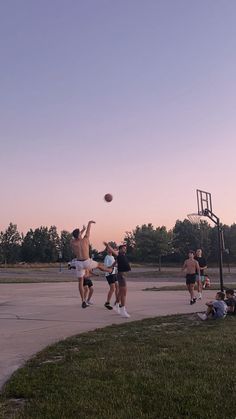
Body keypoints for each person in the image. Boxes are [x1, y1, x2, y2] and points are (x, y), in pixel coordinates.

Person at [70, 221, 112, 308]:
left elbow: (77, 236)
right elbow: (88, 231)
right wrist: (89, 223)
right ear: (79, 235)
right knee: (99, 265)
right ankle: (110, 270)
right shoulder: (85, 240)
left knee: (80, 282)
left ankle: (83, 300)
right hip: (86, 262)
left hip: (78, 263)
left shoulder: (73, 242)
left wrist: (81, 231)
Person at [104, 242, 131, 318]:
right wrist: (107, 245)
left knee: (121, 291)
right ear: (120, 249)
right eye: (123, 248)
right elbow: (112, 250)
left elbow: (116, 262)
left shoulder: (122, 256)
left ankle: (116, 304)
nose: (125, 249)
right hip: (121, 275)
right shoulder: (119, 255)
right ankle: (123, 309)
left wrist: (111, 266)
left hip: (122, 275)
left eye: (125, 248)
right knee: (124, 293)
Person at [103, 247, 119, 311]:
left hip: (114, 274)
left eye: (111, 249)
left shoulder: (112, 257)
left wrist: (116, 265)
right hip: (109, 274)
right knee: (112, 289)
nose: (110, 250)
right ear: (107, 251)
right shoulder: (107, 257)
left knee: (117, 287)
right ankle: (107, 303)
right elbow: (107, 267)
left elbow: (114, 265)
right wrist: (114, 263)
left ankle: (117, 302)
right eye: (109, 249)